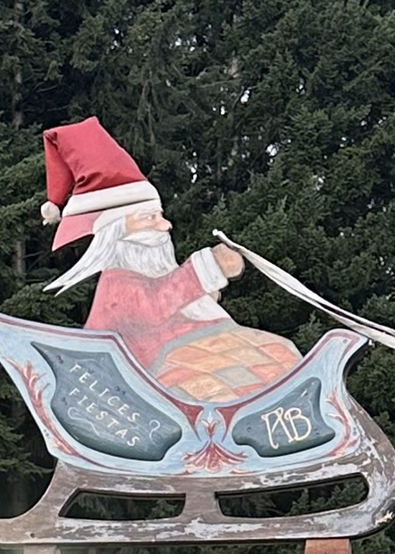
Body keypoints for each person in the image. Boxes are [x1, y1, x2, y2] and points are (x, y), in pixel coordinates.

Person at [40, 116, 301, 402]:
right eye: (150, 219)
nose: (165, 226)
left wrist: (204, 293)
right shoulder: (117, 283)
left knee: (282, 352)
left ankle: (294, 406)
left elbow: (171, 298)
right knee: (233, 380)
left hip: (207, 344)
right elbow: (155, 303)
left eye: (160, 216)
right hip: (161, 367)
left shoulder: (155, 274)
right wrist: (208, 267)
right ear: (118, 232)